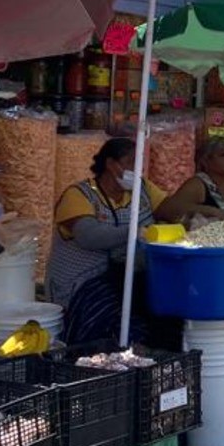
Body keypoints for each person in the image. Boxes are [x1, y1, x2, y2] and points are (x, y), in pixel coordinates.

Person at [49, 138, 170, 345]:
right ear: (111, 164)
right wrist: (134, 232)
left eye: (140, 161)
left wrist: (195, 215)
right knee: (114, 318)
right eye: (131, 161)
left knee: (163, 307)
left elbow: (172, 209)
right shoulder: (79, 194)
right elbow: (89, 236)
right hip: (84, 281)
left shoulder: (143, 190)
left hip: (127, 275)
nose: (137, 168)